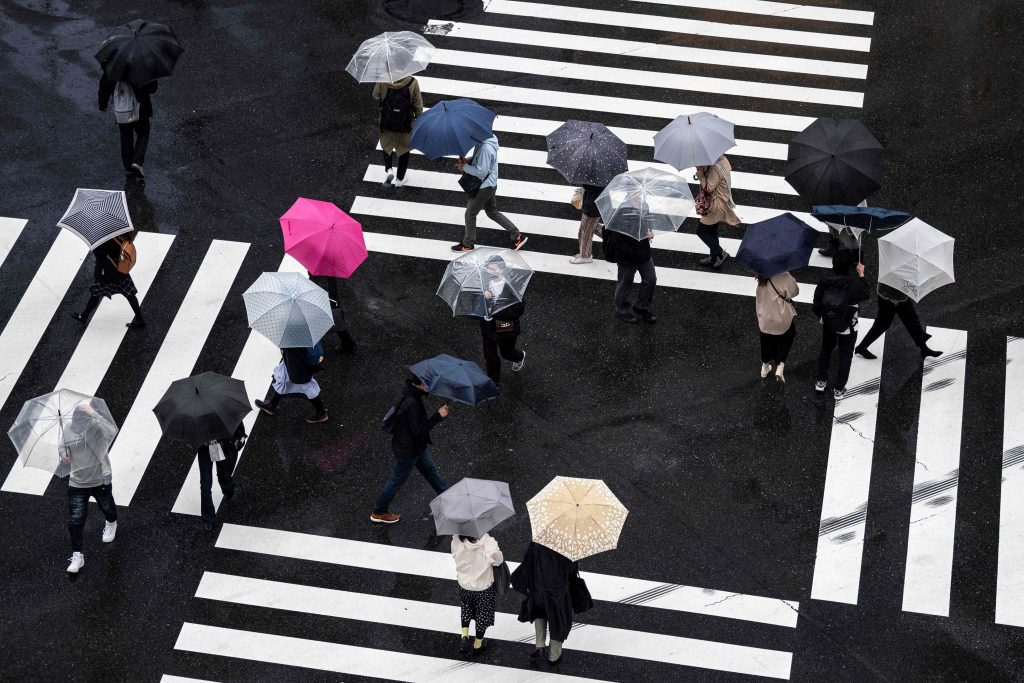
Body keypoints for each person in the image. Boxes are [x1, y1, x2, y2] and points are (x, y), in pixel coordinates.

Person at [371, 376, 449, 524]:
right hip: (409, 450)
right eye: (425, 383)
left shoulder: (408, 391)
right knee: (396, 481)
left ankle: (448, 498)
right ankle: (379, 511)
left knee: (431, 471)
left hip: (413, 446)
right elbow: (419, 430)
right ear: (418, 384)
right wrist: (438, 416)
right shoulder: (413, 403)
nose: (428, 386)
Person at [510, 542, 592, 666]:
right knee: (558, 620)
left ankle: (540, 645)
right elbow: (572, 569)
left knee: (539, 612)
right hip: (558, 591)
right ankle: (554, 655)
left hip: (538, 587)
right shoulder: (567, 545)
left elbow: (527, 561)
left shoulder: (538, 541)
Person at [452, 134, 529, 252]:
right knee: (492, 212)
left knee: (470, 214)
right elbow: (481, 159)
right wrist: (467, 161)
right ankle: (517, 236)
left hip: (484, 186)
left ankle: (468, 244)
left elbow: (481, 171)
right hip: (490, 183)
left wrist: (465, 167)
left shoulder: (485, 148)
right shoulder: (487, 138)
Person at [812, 250, 871, 399]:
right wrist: (861, 275)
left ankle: (821, 381)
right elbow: (866, 295)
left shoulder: (825, 278)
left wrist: (824, 316)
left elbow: (817, 301)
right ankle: (838, 389)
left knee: (826, 350)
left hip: (828, 321)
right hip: (848, 323)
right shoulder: (854, 283)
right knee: (845, 356)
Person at [64, 415, 118, 574]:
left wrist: (94, 414)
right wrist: (63, 455)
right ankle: (77, 555)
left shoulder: (98, 427)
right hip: (77, 482)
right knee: (76, 520)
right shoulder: (68, 429)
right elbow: (62, 448)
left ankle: (111, 522)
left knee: (107, 507)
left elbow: (111, 431)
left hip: (99, 479)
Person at [71, 232, 145, 329]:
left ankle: (84, 316)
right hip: (121, 271)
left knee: (95, 294)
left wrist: (94, 246)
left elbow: (100, 256)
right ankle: (140, 320)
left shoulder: (105, 240)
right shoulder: (121, 235)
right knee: (130, 294)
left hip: (107, 273)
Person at [855, 283, 943, 360]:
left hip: (894, 294)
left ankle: (924, 349)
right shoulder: (899, 270)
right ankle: (862, 347)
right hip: (891, 297)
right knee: (883, 324)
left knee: (912, 322)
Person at [452, 534, 504, 656]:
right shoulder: (488, 542)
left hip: (464, 584)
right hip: (483, 587)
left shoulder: (456, 540)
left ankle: (464, 635)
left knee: (466, 607)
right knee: (483, 614)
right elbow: (498, 561)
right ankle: (477, 644)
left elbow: (454, 555)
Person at [98, 75, 157, 178]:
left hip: (122, 110)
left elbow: (104, 84)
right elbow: (152, 88)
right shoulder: (141, 66)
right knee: (143, 133)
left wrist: (103, 103)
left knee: (126, 136)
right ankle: (137, 162)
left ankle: (128, 166)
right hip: (141, 108)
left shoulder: (113, 67)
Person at [254, 341, 328, 423]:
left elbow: (292, 348)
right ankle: (272, 405)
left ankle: (321, 413)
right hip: (295, 361)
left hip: (297, 363)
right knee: (284, 380)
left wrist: (283, 345)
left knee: (306, 385)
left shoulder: (293, 334)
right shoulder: (306, 332)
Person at [372, 75, 423, 187]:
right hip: (404, 122)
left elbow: (376, 96)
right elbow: (418, 105)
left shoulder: (383, 78)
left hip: (387, 119)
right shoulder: (412, 82)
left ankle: (389, 169)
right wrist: (418, 119)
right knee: (404, 148)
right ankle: (400, 178)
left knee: (387, 144)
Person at [197, 422, 246, 531]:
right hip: (205, 449)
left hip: (220, 446)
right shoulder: (195, 415)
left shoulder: (226, 409)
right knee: (205, 484)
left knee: (223, 476)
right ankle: (208, 518)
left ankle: (228, 489)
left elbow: (239, 430)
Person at [695, 155, 741, 269]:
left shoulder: (715, 168)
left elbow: (708, 188)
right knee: (712, 231)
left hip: (716, 205)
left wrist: (700, 173)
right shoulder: (723, 160)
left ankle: (720, 253)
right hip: (721, 201)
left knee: (701, 231)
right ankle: (715, 256)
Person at [605, 228, 657, 324]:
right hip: (626, 255)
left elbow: (646, 222)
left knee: (650, 279)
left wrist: (648, 231)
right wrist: (632, 251)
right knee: (625, 282)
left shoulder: (642, 212)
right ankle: (621, 310)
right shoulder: (619, 215)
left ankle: (641, 306)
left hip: (643, 250)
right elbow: (617, 240)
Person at [755, 271, 799, 383]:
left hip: (764, 317)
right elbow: (795, 292)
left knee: (765, 341)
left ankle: (765, 368)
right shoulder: (784, 276)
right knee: (787, 336)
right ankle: (780, 365)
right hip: (780, 318)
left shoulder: (762, 276)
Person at [480, 285, 526, 384]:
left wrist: (493, 308)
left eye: (495, 268)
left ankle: (519, 357)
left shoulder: (512, 287)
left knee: (507, 353)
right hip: (488, 329)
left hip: (506, 329)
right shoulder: (482, 284)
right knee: (490, 356)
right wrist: (483, 302)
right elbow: (473, 306)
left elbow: (518, 310)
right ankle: (493, 383)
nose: (492, 269)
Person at [570, 184, 605, 264]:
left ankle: (586, 256)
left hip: (592, 207)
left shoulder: (596, 178)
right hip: (591, 204)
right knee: (588, 228)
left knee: (586, 232)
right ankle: (615, 239)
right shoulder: (601, 177)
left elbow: (595, 189)